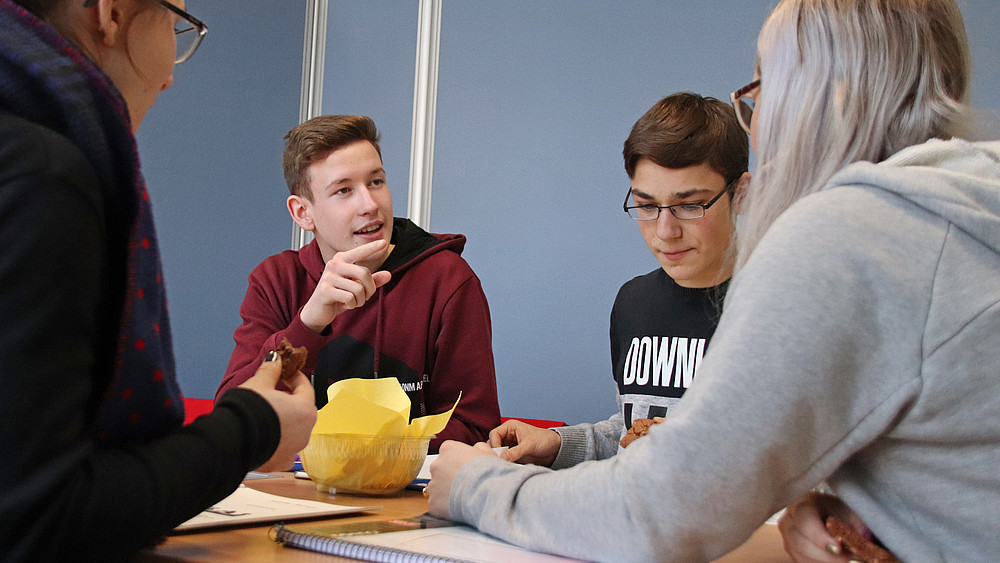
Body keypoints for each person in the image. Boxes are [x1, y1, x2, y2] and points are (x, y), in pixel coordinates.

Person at [427, 0, 1000, 561]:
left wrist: (478, 486)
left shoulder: (847, 236)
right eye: (647, 207)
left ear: (830, 97)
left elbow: (665, 511)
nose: (761, 119)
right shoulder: (965, 208)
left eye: (764, 89)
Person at [0, 0, 316, 560]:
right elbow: (41, 517)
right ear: (111, 13)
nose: (171, 75)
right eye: (174, 26)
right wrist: (252, 428)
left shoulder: (444, 278)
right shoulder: (42, 177)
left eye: (377, 181)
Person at [488, 92, 748, 469]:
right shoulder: (634, 303)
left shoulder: (780, 310)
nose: (665, 231)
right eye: (645, 206)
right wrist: (559, 444)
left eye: (690, 205)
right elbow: (631, 432)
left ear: (740, 194)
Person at [215, 114, 501, 453]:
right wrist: (309, 323)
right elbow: (234, 416)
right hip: (296, 491)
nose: (370, 205)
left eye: (376, 182)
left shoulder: (448, 279)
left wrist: (361, 451)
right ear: (302, 213)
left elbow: (475, 426)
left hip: (406, 495)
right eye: (344, 190)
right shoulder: (276, 281)